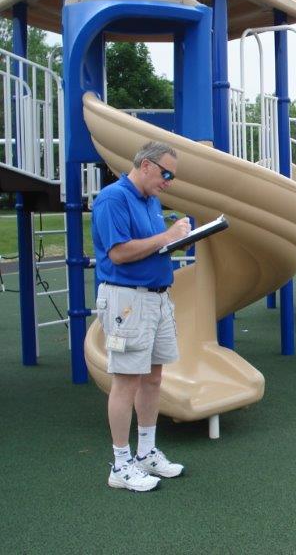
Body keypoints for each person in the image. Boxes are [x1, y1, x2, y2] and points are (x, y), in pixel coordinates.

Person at [91, 141, 191, 492]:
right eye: (165, 173)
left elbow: (153, 245)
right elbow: (118, 254)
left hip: (157, 298)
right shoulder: (113, 198)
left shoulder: (151, 201)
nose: (168, 181)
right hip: (126, 302)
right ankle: (120, 463)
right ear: (146, 165)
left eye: (172, 177)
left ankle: (146, 452)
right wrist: (167, 235)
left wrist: (177, 237)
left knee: (153, 377)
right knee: (126, 380)